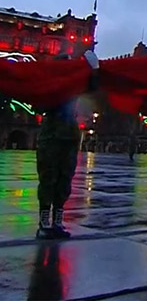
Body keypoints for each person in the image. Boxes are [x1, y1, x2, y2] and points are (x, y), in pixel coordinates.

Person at [35, 51, 100, 239]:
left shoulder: (75, 86)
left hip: (69, 135)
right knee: (48, 178)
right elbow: (39, 105)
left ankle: (57, 220)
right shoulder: (49, 85)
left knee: (65, 179)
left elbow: (91, 87)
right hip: (52, 134)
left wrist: (94, 70)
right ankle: (45, 221)